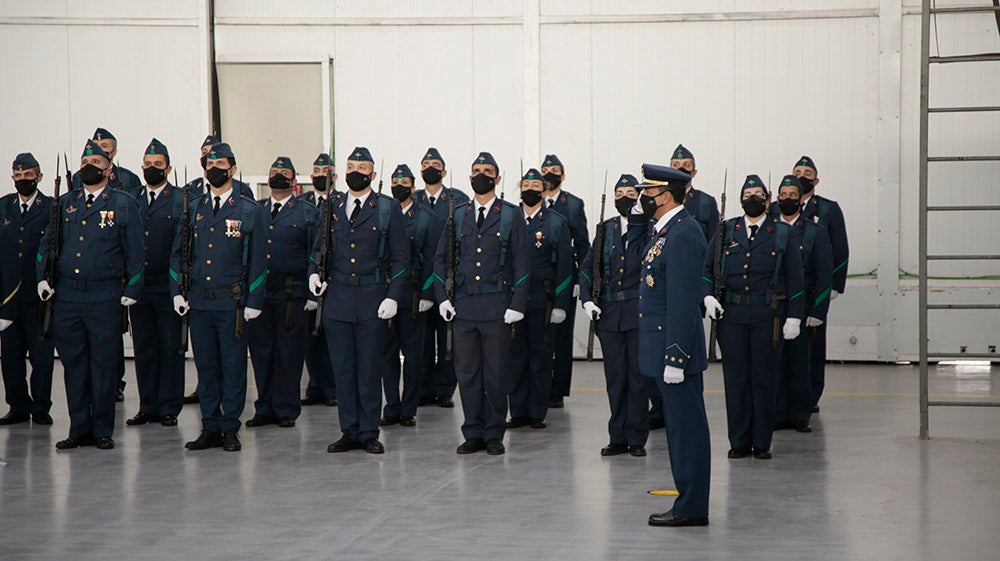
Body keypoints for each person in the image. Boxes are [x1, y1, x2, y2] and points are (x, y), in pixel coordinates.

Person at [38, 140, 145, 450]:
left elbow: (137, 253)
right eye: (86, 161)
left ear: (109, 169)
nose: (89, 167)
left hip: (104, 296)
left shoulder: (122, 203)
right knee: (74, 364)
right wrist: (41, 279)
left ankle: (101, 429)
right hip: (68, 298)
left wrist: (131, 289)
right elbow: (47, 245)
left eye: (97, 162)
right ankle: (79, 428)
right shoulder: (65, 203)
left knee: (103, 364)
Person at [308, 147, 409, 455]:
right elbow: (318, 248)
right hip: (337, 299)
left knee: (368, 369)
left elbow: (402, 258)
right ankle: (348, 430)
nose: (355, 172)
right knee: (343, 369)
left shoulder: (386, 208)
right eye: (350, 166)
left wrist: (393, 296)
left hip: (371, 298)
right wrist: (313, 273)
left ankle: (368, 431)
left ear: (372, 174)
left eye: (361, 167)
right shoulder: (332, 205)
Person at [626, 164, 712, 527]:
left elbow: (682, 300)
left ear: (666, 195)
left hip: (674, 353)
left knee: (687, 430)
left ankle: (692, 507)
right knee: (678, 429)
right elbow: (637, 265)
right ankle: (687, 500)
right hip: (659, 348)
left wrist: (676, 356)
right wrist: (635, 222)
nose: (643, 198)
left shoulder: (684, 234)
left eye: (649, 193)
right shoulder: (664, 231)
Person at [170, 142, 267, 452]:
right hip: (199, 301)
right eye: (209, 164)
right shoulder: (194, 206)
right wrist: (177, 292)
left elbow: (259, 261)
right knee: (207, 366)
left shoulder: (248, 209)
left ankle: (229, 427)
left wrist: (254, 300)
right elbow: (178, 253)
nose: (214, 169)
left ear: (233, 169)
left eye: (221, 164)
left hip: (232, 302)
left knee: (233, 366)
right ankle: (210, 425)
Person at [432, 152, 529, 455]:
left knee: (496, 373)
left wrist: (517, 303)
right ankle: (473, 431)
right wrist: (442, 298)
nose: (481, 175)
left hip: (497, 305)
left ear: (498, 178)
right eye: (476, 170)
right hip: (463, 306)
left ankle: (494, 433)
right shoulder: (458, 214)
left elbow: (523, 262)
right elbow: (440, 259)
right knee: (468, 373)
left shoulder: (511, 214)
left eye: (487, 171)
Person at [702, 174, 805, 460]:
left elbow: (795, 280)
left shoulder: (781, 232)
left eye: (759, 194)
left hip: (767, 316)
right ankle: (738, 441)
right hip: (731, 316)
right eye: (748, 195)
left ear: (768, 199)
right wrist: (707, 295)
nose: (753, 199)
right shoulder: (726, 230)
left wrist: (794, 316)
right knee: (735, 380)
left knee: (763, 379)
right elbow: (706, 270)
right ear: (740, 200)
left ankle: (761, 443)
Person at [648, 144, 721, 429]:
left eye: (686, 164)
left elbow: (715, 245)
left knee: (682, 339)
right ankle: (660, 410)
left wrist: (709, 289)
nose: (681, 167)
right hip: (664, 286)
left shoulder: (702, 205)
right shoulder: (661, 222)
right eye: (675, 163)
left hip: (690, 281)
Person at [579, 173, 648, 456]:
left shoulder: (648, 227)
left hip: (638, 313)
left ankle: (637, 438)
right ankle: (617, 436)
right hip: (608, 315)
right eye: (619, 192)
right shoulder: (605, 229)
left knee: (638, 379)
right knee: (615, 378)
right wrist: (586, 300)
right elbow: (586, 267)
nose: (624, 197)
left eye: (630, 192)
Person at [246, 156, 318, 429]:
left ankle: (287, 408)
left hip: (292, 294)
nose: (278, 175)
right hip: (260, 294)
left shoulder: (307, 212)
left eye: (284, 172)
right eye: (274, 171)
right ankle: (264, 407)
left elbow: (315, 252)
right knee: (262, 352)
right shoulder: (256, 210)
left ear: (294, 180)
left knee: (289, 353)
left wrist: (313, 295)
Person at [126, 139, 187, 428]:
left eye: (158, 165)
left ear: (169, 168)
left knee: (170, 346)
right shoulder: (131, 197)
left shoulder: (181, 199)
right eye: (148, 165)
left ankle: (169, 406)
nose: (152, 169)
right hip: (139, 286)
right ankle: (147, 405)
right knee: (144, 348)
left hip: (168, 286)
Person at [506, 168, 572, 431]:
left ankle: (537, 412)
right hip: (514, 301)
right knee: (515, 357)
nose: (530, 189)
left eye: (536, 185)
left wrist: (560, 304)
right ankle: (518, 412)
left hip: (542, 301)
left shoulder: (555, 222)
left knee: (540, 357)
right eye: (525, 184)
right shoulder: (509, 218)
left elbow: (565, 267)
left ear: (544, 191)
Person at [380, 164, 442, 427]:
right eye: (395, 181)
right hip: (386, 292)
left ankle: (409, 408)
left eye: (404, 181)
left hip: (414, 294)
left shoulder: (426, 217)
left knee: (414, 355)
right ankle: (392, 405)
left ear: (413, 186)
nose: (399, 186)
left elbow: (433, 260)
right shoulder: (382, 212)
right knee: (386, 354)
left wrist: (429, 292)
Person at [773, 175, 833, 433]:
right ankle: (777, 413)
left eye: (792, 195)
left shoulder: (814, 231)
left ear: (801, 199)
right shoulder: (769, 228)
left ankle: (800, 414)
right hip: (775, 306)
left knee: (801, 362)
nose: (788, 199)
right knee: (777, 363)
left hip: (804, 305)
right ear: (777, 199)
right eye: (783, 195)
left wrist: (819, 310)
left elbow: (824, 273)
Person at [0, 153, 55, 426]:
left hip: (39, 294)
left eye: (28, 175)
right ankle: (17, 406)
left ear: (39, 177)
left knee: (41, 355)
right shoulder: (3, 207)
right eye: (17, 176)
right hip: (9, 295)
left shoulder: (51, 207)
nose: (22, 180)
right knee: (10, 355)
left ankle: (41, 406)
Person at [791, 156, 849, 412]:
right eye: (797, 172)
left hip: (814, 289)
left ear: (816, 180)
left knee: (813, 346)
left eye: (807, 172)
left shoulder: (827, 209)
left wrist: (834, 285)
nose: (802, 176)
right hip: (785, 290)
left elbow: (840, 249)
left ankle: (811, 395)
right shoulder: (777, 207)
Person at [413, 147, 468, 408]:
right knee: (421, 340)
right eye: (426, 164)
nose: (431, 168)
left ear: (444, 171)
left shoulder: (458, 199)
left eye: (436, 164)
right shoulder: (412, 200)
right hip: (420, 282)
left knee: (448, 339)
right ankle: (423, 390)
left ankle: (444, 390)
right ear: (420, 170)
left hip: (449, 279)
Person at [539, 154, 589, 408]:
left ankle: (558, 389)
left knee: (561, 336)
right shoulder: (531, 201)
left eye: (554, 169)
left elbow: (582, 244)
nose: (549, 173)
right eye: (545, 169)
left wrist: (582, 278)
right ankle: (538, 385)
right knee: (540, 335)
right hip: (539, 277)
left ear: (563, 175)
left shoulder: (573, 205)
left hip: (565, 275)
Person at [299, 152, 339, 407]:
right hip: (307, 278)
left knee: (332, 339)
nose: (320, 175)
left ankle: (332, 388)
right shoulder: (301, 203)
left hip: (335, 280)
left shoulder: (343, 203)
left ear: (334, 176)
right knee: (311, 338)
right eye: (316, 170)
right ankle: (315, 387)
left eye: (325, 171)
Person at [72, 127, 142, 196]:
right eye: (95, 145)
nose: (99, 149)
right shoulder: (78, 177)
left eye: (104, 146)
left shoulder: (128, 178)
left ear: (114, 152)